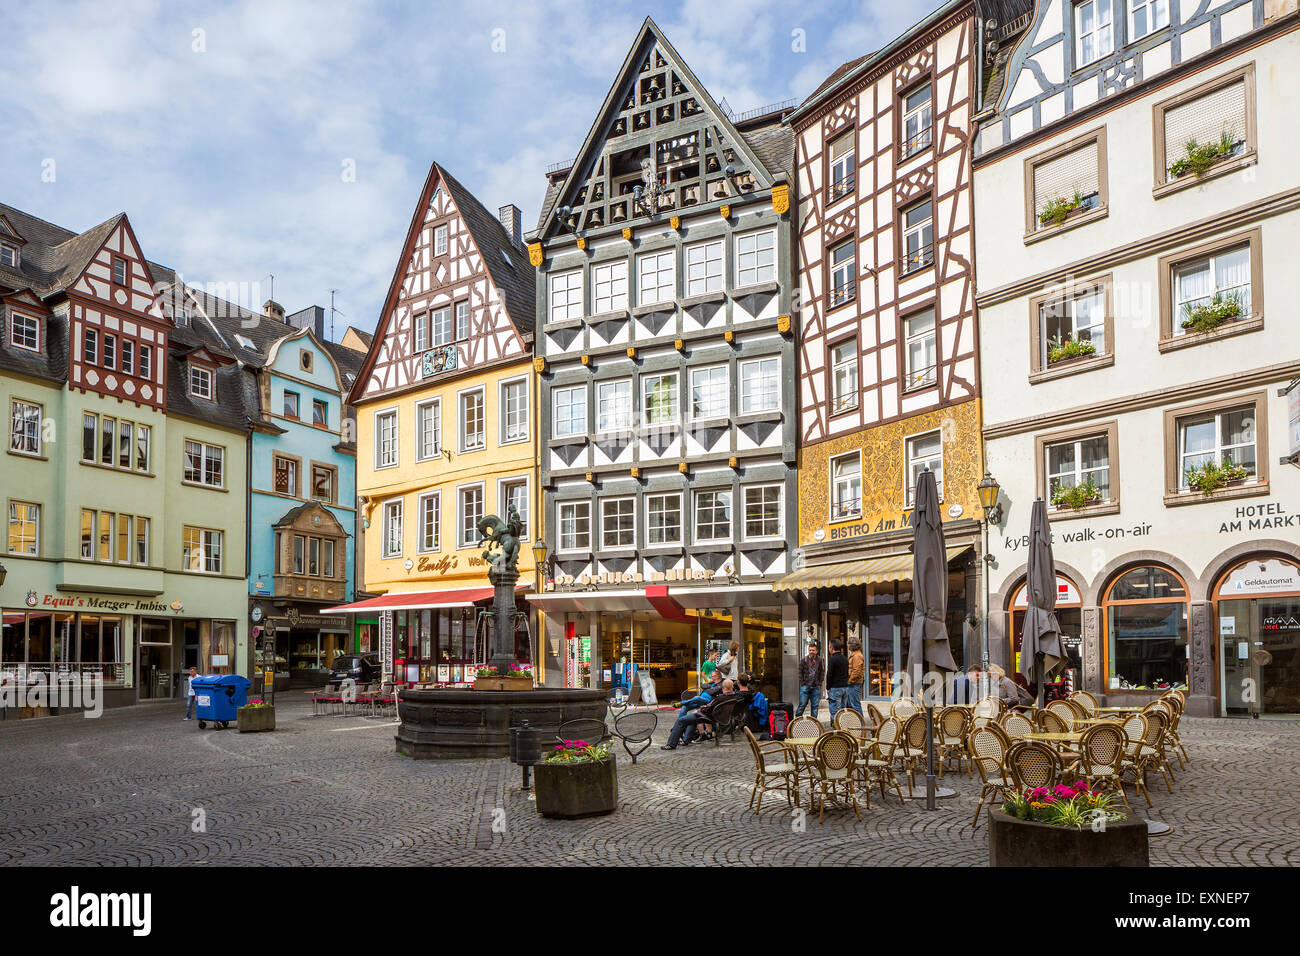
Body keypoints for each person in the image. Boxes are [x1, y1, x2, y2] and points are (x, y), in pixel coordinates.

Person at [661, 679, 737, 750]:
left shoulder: (720, 698)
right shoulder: (733, 697)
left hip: (709, 717)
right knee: (692, 719)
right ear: (732, 687)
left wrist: (699, 710)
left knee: (680, 721)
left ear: (723, 688)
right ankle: (686, 740)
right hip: (720, 717)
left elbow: (709, 710)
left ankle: (671, 744)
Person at [795, 642, 824, 718]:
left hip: (816, 686)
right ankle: (797, 720)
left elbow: (822, 672)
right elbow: (799, 672)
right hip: (805, 686)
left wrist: (820, 683)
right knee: (802, 704)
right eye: (810, 650)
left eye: (813, 650)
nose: (811, 652)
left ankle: (813, 721)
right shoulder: (803, 660)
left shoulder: (820, 660)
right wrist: (802, 683)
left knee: (815, 706)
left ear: (816, 651)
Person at [825, 638, 849, 720]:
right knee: (843, 710)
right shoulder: (845, 659)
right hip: (845, 687)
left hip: (835, 688)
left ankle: (836, 725)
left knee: (835, 710)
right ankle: (842, 724)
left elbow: (829, 674)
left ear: (831, 647)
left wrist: (828, 687)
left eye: (829, 646)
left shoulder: (832, 659)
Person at [846, 638, 865, 716]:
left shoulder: (857, 656)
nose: (847, 645)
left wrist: (850, 681)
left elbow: (857, 671)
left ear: (851, 645)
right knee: (852, 704)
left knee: (854, 704)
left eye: (848, 644)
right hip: (853, 683)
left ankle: (860, 721)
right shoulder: (855, 655)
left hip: (854, 683)